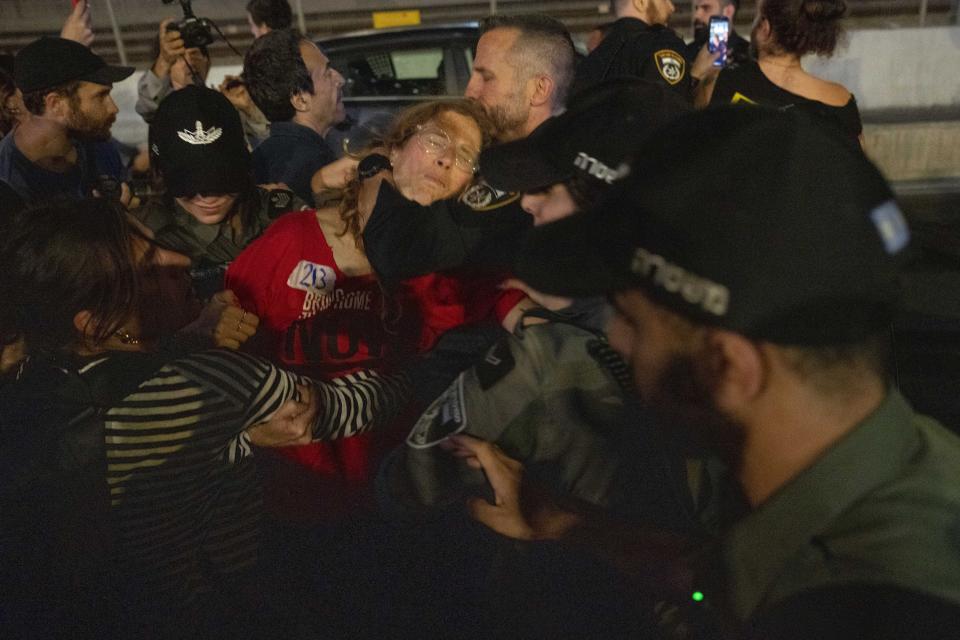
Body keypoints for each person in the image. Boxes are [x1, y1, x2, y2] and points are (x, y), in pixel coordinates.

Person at [448, 107, 960, 634]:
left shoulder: (849, 614)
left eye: (630, 319)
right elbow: (717, 579)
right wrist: (571, 526)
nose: (616, 340)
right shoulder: (905, 470)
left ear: (727, 368)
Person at [0, 197, 415, 636]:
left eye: (161, 244)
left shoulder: (28, 378)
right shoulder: (208, 383)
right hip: (211, 605)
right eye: (148, 270)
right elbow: (350, 406)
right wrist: (425, 368)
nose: (181, 258)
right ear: (94, 320)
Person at [224, 98, 492, 522]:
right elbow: (219, 356)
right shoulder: (292, 238)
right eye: (437, 140)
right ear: (394, 150)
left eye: (464, 157)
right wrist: (242, 426)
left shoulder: (450, 277)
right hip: (293, 503)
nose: (444, 160)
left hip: (398, 505)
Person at [360, 14, 576, 284]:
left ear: (539, 89)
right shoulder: (564, 144)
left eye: (486, 78)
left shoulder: (527, 172)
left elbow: (398, 250)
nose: (470, 90)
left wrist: (375, 166)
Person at [135, 85, 305, 298]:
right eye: (190, 184)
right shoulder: (142, 235)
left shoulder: (279, 208)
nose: (207, 195)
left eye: (222, 180)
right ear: (161, 173)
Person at [699, 0, 863, 145]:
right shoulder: (841, 99)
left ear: (765, 28)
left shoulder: (724, 82)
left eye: (756, 18)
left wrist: (697, 75)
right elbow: (858, 171)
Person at [0, 37, 132, 203]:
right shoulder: (8, 181)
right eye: (100, 96)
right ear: (55, 104)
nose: (114, 108)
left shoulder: (100, 147)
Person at [244, 29, 345, 203]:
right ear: (300, 100)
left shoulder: (259, 158)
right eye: (327, 73)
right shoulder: (320, 169)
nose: (340, 79)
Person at [570, 0, 691, 98]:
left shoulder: (589, 62)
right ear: (640, 2)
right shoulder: (661, 44)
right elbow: (670, 113)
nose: (672, 7)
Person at [134, 19, 211, 124]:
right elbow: (148, 104)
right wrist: (164, 61)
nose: (189, 63)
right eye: (180, 57)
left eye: (194, 54)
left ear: (207, 62)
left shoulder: (220, 103)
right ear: (168, 69)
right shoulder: (164, 108)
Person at [687, 0, 750, 68]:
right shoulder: (685, 55)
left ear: (728, 11)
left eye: (706, 8)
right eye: (696, 8)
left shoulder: (750, 56)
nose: (697, 15)